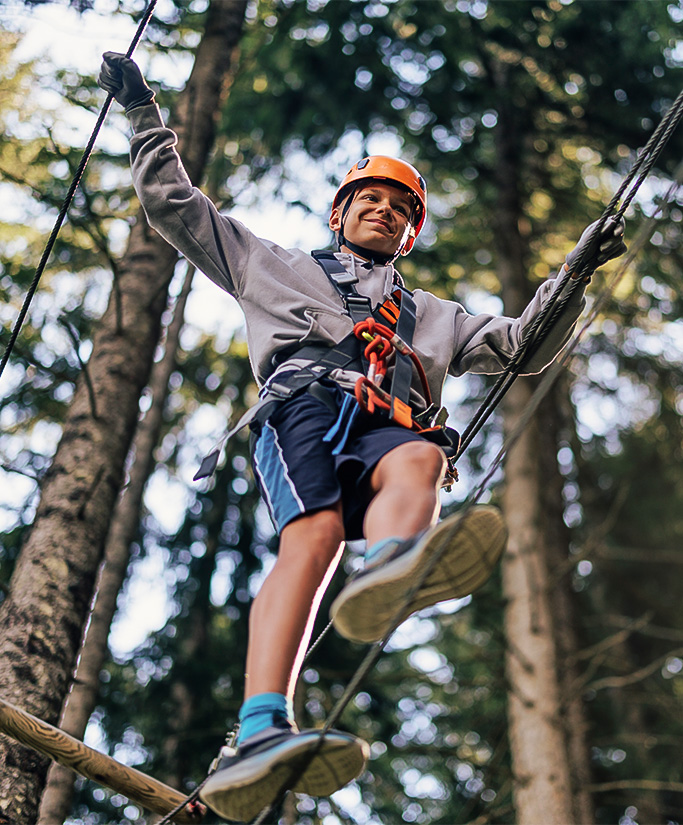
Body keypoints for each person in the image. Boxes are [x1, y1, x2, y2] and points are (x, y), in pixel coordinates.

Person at [98, 53, 626, 822]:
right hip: (304, 408)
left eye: (399, 209)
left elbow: (522, 343)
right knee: (309, 539)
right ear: (339, 213)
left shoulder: (436, 318)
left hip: (392, 422)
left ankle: (390, 562)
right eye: (368, 198)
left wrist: (572, 276)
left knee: (420, 453)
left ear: (409, 235)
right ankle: (257, 727)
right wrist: (144, 114)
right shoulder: (271, 265)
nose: (383, 211)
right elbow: (176, 207)